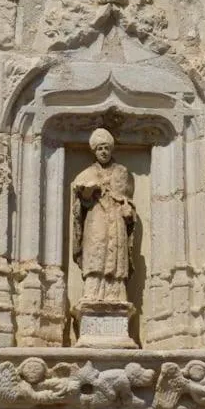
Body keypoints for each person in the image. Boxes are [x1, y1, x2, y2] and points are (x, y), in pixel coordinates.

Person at [71, 129, 136, 303]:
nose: (104, 152)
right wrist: (86, 193)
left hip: (116, 219)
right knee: (96, 253)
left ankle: (115, 294)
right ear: (94, 151)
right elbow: (79, 205)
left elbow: (127, 201)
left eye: (106, 148)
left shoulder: (122, 173)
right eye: (100, 148)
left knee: (116, 257)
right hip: (96, 217)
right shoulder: (87, 173)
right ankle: (93, 292)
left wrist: (128, 211)